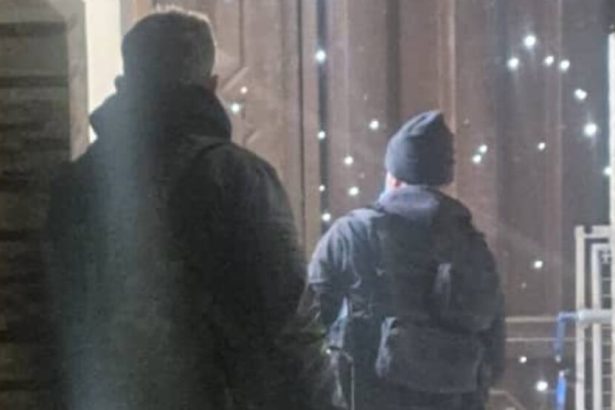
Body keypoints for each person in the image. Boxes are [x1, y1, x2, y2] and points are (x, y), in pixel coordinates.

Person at [45, 7, 343, 410]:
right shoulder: (234, 177)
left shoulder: (74, 184)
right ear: (211, 84)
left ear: (126, 81)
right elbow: (286, 328)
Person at [309, 111, 506, 410]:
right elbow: (495, 350)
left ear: (394, 176)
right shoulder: (471, 242)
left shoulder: (352, 233)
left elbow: (306, 324)